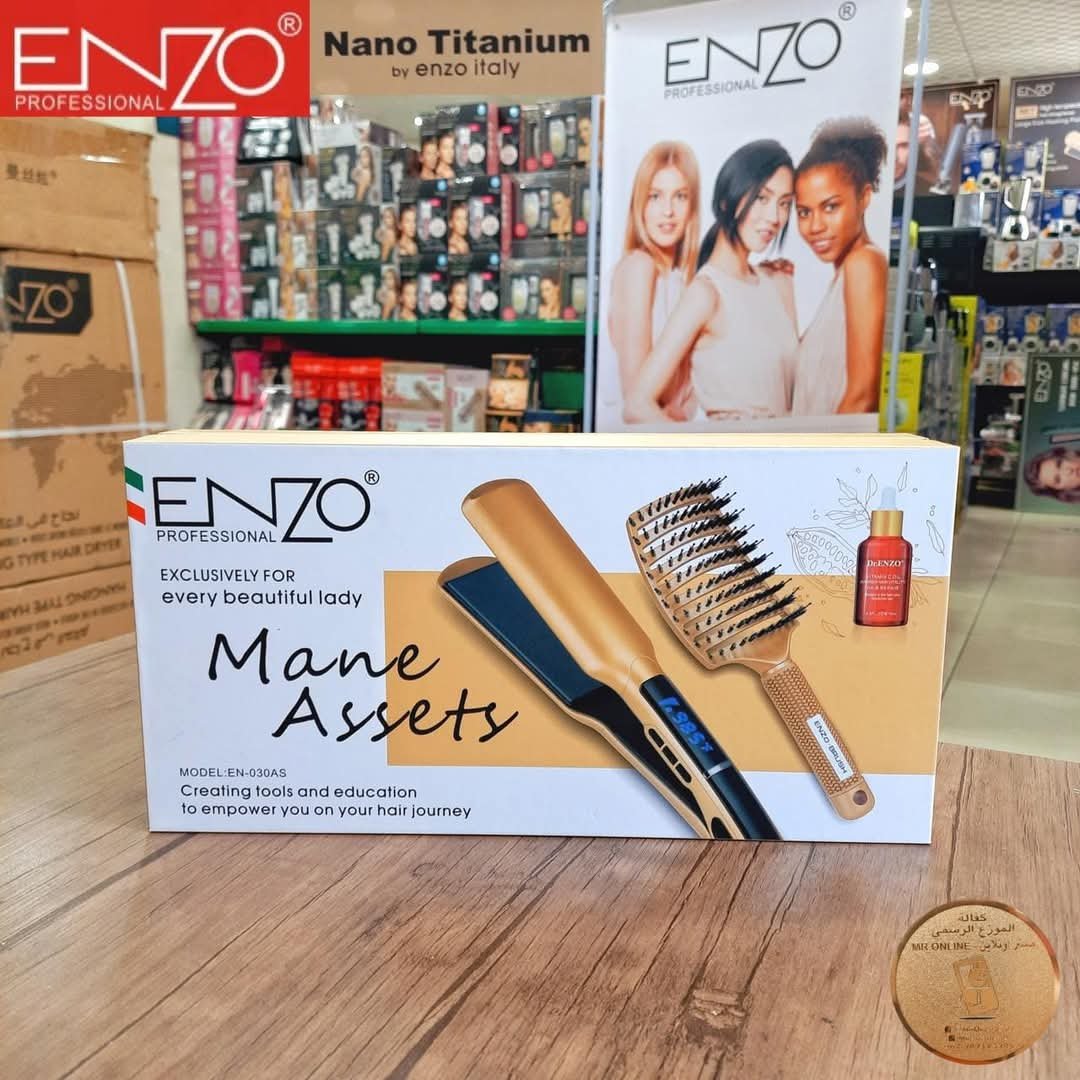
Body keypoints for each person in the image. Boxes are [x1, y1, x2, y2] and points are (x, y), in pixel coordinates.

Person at [624, 140, 797, 423]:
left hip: (790, 446)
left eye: (784, 203)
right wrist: (695, 448)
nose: (775, 217)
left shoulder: (778, 283)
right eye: (762, 198)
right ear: (727, 200)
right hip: (735, 448)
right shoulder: (706, 293)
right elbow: (636, 405)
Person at [792, 118, 889, 416]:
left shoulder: (864, 263)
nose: (815, 226)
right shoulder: (844, 275)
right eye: (804, 212)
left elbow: (862, 397)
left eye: (830, 207)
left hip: (829, 447)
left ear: (864, 197)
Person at [609, 142, 701, 421]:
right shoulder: (640, 266)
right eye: (655, 196)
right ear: (640, 204)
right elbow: (635, 405)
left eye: (680, 196)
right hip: (643, 439)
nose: (668, 211)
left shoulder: (683, 280)